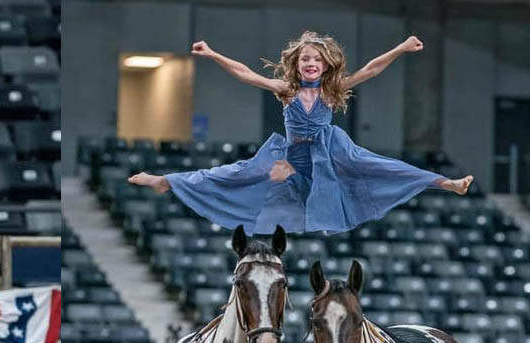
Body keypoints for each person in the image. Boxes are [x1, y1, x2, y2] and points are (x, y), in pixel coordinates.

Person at [129, 31, 474, 234]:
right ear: (296, 64)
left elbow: (370, 71)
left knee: (378, 165)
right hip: (292, 158)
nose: (311, 64)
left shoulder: (330, 90)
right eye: (305, 59)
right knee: (237, 173)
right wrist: (213, 54)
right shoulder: (286, 90)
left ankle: (446, 183)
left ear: (326, 66)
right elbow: (246, 74)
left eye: (317, 60)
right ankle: (166, 181)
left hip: (329, 154)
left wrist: (400, 49)